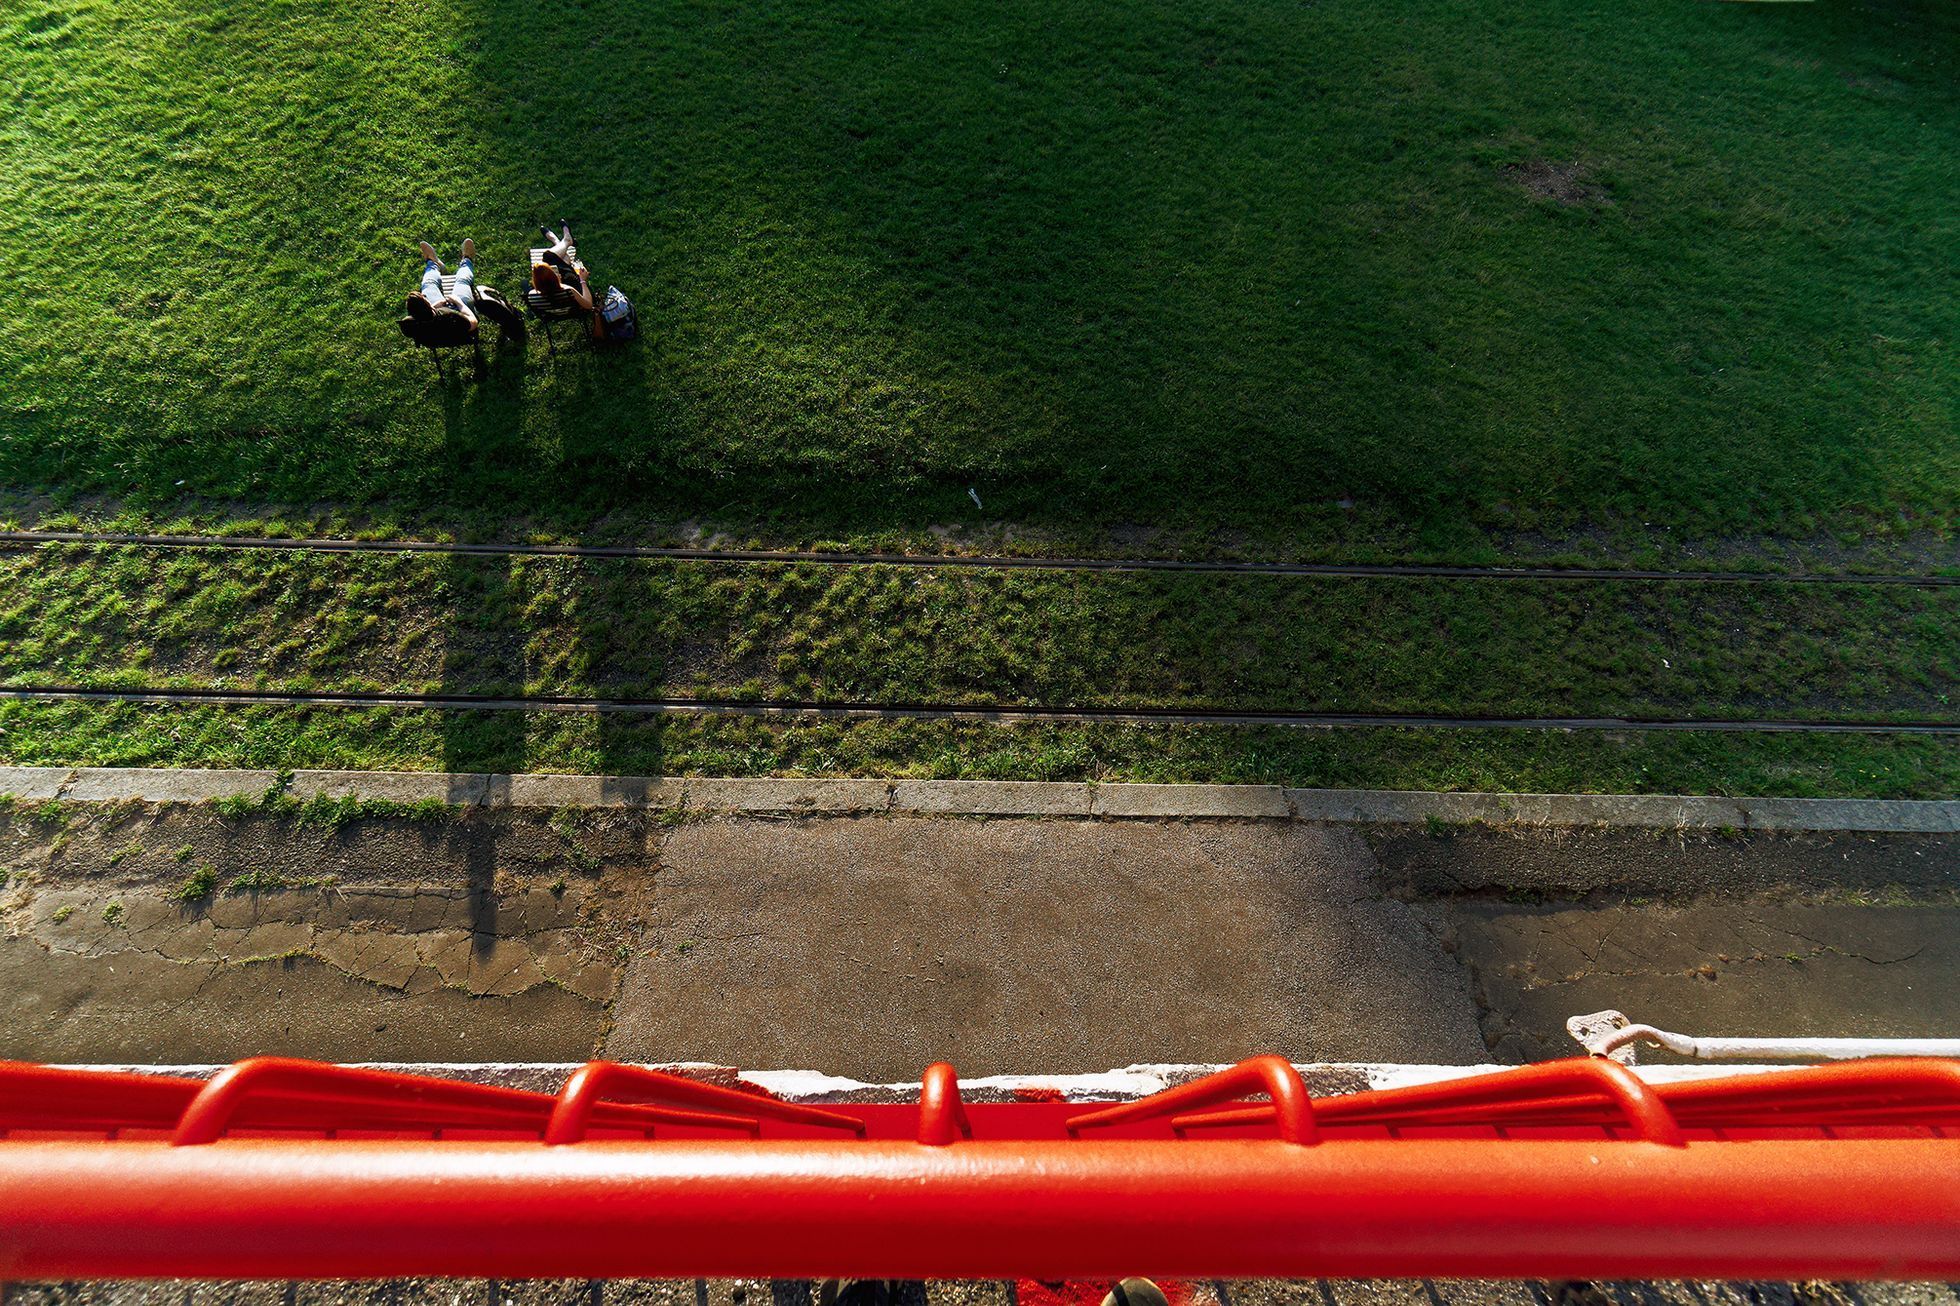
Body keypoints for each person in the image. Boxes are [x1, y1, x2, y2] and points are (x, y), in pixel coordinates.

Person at [531, 223, 613, 341]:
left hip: (551, 313)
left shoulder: (532, 295)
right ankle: (565, 240)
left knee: (559, 260)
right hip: (574, 306)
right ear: (555, 277)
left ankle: (558, 241)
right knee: (549, 257)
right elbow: (589, 304)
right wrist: (583, 280)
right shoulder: (568, 290)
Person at [403, 238, 478, 331]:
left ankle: (433, 263)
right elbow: (473, 322)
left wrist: (434, 306)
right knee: (462, 281)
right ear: (428, 304)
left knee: (428, 284)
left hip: (433, 329)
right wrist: (458, 302)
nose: (424, 295)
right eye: (425, 297)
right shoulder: (451, 316)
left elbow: (422, 317)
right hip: (457, 315)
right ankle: (467, 259)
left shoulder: (409, 325)